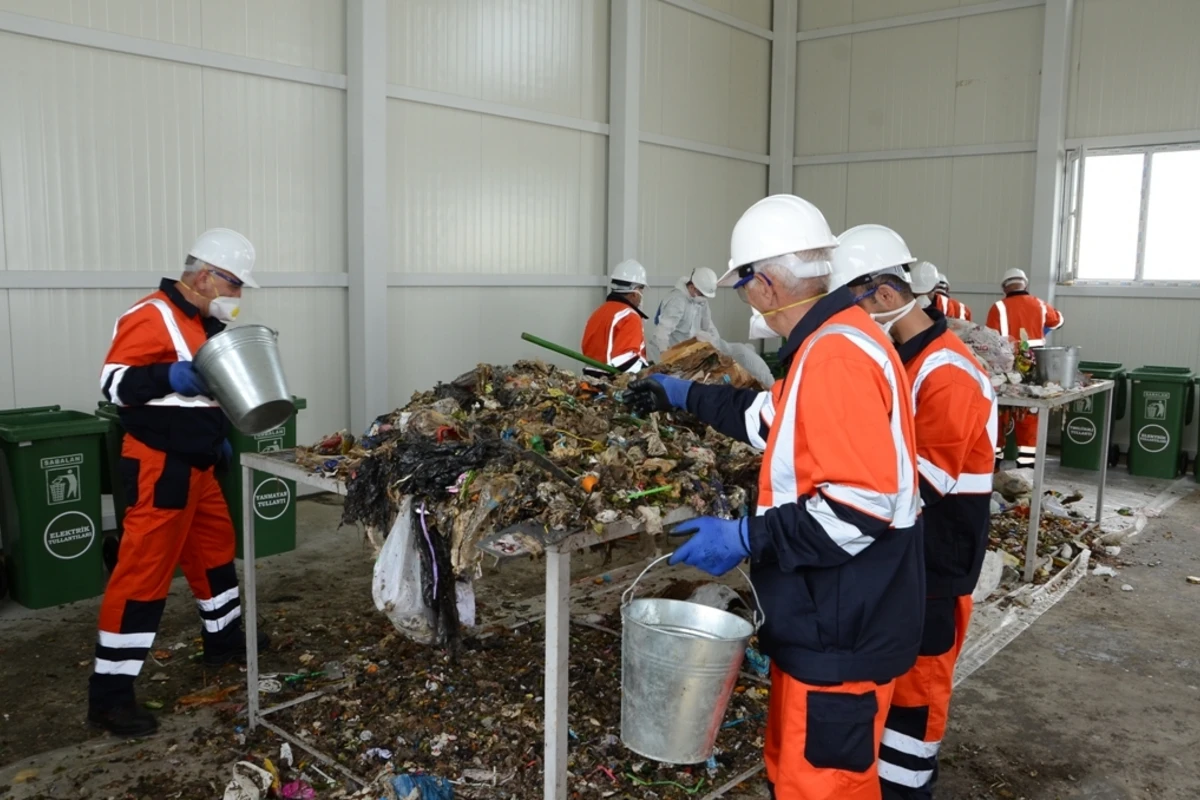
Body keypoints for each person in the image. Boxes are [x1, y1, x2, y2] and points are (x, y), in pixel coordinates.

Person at [625, 195, 924, 800]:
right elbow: (769, 419)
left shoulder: (836, 356)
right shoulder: (833, 341)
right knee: (795, 773)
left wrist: (744, 537)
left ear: (763, 284)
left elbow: (858, 508)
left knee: (825, 786)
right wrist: (683, 395)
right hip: (826, 614)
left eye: (742, 285)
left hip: (843, 621)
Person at [830, 230, 997, 799]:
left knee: (916, 698)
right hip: (907, 556)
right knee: (890, 684)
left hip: (937, 563)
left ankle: (906, 790)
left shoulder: (948, 372)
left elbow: (921, 480)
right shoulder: (905, 357)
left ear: (881, 295)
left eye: (851, 303)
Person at [90, 228, 268, 736]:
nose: (237, 296)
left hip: (200, 462)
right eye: (234, 284)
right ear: (206, 275)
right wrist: (169, 375)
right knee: (143, 573)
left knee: (214, 553)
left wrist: (218, 435)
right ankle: (109, 697)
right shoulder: (151, 315)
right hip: (160, 463)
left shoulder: (202, 324)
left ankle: (225, 639)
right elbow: (114, 383)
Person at [986, 268, 1064, 467]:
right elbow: (1059, 320)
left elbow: (990, 340)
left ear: (1005, 287)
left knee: (1001, 410)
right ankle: (1027, 467)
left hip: (1006, 367)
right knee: (1030, 412)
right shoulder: (1039, 304)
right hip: (1034, 366)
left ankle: (994, 462)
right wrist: (1041, 329)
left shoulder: (998, 307)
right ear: (1025, 284)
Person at [581, 259, 649, 378]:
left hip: (590, 378)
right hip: (611, 382)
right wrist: (647, 370)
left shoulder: (599, 312)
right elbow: (624, 360)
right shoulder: (630, 317)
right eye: (641, 289)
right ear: (635, 292)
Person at [650, 267, 719, 357]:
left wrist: (716, 346)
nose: (704, 298)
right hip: (671, 353)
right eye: (702, 294)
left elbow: (708, 326)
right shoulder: (677, 301)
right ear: (692, 287)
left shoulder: (700, 300)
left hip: (688, 355)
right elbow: (662, 331)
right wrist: (665, 355)